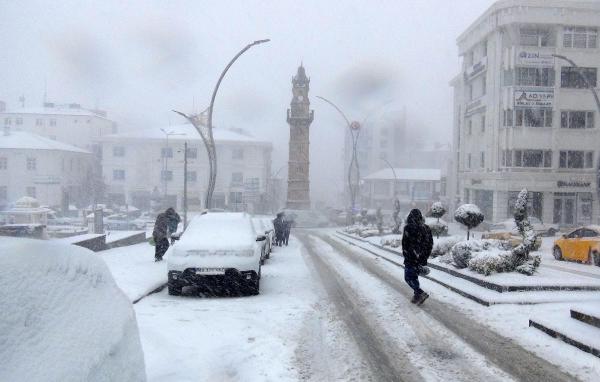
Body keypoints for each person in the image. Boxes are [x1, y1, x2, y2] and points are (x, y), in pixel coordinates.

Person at [401, 209, 433, 305]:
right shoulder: (426, 228)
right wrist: (424, 256)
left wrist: (407, 254)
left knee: (408, 277)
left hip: (411, 257)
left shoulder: (408, 228)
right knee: (414, 277)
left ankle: (419, 293)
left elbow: (405, 244)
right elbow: (430, 244)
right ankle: (416, 295)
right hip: (421, 258)